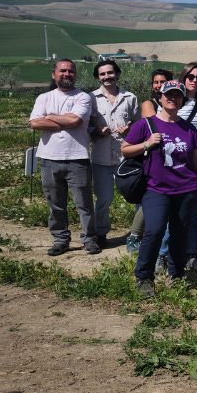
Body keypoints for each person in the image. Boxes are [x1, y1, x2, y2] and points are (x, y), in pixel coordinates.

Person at [121, 80, 197, 296]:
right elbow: (125, 150)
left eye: (177, 96)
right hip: (156, 188)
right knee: (155, 230)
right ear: (159, 98)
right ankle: (144, 277)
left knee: (180, 233)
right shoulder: (145, 125)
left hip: (187, 189)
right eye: (168, 95)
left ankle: (177, 274)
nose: (172, 99)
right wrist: (146, 144)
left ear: (182, 100)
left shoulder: (188, 128)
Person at [29, 59, 100, 256]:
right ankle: (61, 239)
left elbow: (76, 120)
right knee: (55, 203)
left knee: (84, 203)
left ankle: (89, 238)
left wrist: (49, 117)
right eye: (62, 71)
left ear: (75, 75)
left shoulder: (83, 97)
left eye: (71, 71)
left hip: (77, 158)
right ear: (54, 74)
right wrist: (64, 121)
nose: (67, 74)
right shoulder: (44, 98)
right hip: (49, 158)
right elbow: (35, 123)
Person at [156, 62, 197, 271]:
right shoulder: (170, 100)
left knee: (196, 210)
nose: (194, 80)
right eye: (190, 76)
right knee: (174, 212)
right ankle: (163, 254)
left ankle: (190, 254)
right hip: (175, 156)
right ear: (183, 77)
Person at [88, 59, 140, 247]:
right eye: (102, 74)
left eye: (110, 73)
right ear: (98, 77)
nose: (106, 77)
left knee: (136, 196)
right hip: (101, 158)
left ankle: (139, 233)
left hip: (125, 158)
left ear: (117, 74)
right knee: (104, 200)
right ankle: (101, 233)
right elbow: (84, 126)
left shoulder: (130, 98)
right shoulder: (90, 98)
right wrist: (96, 132)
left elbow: (138, 124)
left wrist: (129, 131)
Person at [129, 68, 173, 251]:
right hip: (153, 155)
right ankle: (134, 236)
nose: (158, 85)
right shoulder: (149, 103)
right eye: (155, 82)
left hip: (170, 155)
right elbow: (154, 125)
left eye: (162, 82)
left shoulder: (173, 102)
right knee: (152, 196)